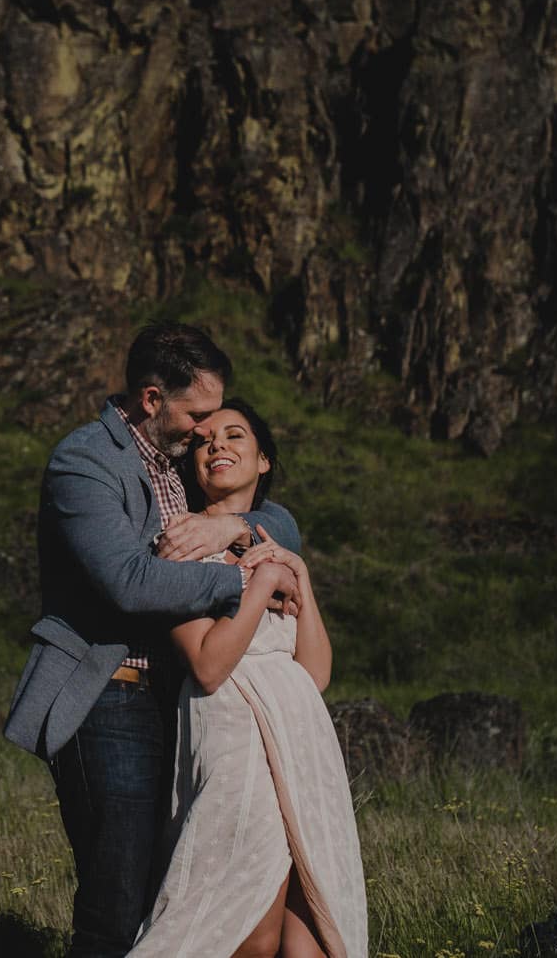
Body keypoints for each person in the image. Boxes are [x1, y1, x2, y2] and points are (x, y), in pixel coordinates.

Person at [5, 323, 304, 958]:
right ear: (150, 399)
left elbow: (278, 519)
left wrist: (235, 529)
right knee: (117, 904)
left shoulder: (179, 466)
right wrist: (242, 587)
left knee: (174, 900)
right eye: (196, 413)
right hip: (111, 697)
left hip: (182, 704)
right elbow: (129, 583)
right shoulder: (85, 462)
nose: (206, 429)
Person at [129, 399, 366, 958]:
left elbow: (314, 673)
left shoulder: (270, 543)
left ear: (263, 460)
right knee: (243, 927)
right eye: (206, 439)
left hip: (302, 739)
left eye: (235, 436)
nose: (218, 446)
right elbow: (209, 666)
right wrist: (259, 586)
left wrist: (298, 576)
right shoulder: (180, 545)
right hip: (236, 737)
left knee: (310, 926)